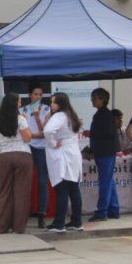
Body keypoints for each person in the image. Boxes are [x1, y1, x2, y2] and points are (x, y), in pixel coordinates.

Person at [0, 93, 33, 234]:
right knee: (21, 192)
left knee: (4, 191)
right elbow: (27, 138)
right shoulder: (20, 119)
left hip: (5, 156)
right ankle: (19, 227)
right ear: (14, 104)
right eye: (19, 102)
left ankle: (0, 226)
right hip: (23, 155)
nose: (20, 104)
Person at [44, 92, 84, 233]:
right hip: (73, 152)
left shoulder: (59, 116)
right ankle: (76, 221)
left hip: (63, 154)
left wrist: (53, 142)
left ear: (60, 104)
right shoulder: (71, 115)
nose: (51, 105)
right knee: (74, 188)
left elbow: (48, 130)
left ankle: (59, 223)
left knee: (62, 189)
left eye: (54, 102)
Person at [83, 88, 120, 222]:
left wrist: (91, 134)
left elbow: (108, 133)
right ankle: (114, 209)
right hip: (103, 151)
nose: (92, 100)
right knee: (108, 180)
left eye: (94, 98)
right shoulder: (100, 114)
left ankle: (102, 211)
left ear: (102, 99)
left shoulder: (105, 115)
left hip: (106, 152)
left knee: (105, 181)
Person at [20, 84, 52, 228]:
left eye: (40, 94)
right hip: (26, 146)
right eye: (35, 94)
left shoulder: (46, 109)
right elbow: (22, 131)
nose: (38, 97)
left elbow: (44, 132)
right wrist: (33, 136)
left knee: (42, 181)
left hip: (41, 148)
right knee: (24, 180)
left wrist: (38, 117)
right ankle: (23, 213)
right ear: (30, 95)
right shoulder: (22, 110)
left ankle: (41, 214)